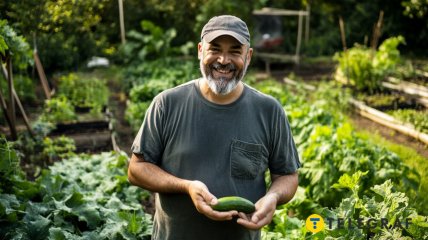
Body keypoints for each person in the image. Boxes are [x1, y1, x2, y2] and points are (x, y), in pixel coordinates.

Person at [128, 15, 300, 240]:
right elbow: (136, 169)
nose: (223, 60)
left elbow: (287, 175)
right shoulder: (167, 103)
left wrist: (274, 197)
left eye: (235, 51)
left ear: (248, 56)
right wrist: (186, 186)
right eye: (215, 49)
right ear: (200, 51)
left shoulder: (269, 110)